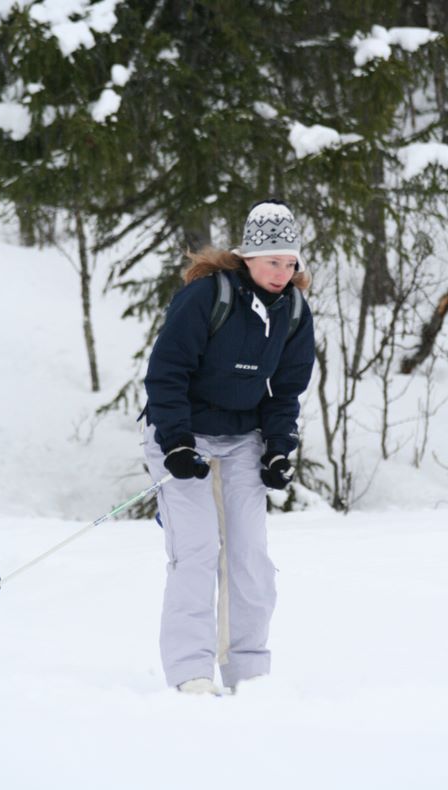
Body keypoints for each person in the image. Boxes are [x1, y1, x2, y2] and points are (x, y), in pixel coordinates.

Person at [142, 199, 315, 695]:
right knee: (197, 549)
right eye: (273, 261)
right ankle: (190, 672)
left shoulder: (294, 311)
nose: (282, 272)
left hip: (243, 437)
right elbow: (167, 372)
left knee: (249, 555)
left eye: (290, 262)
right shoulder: (207, 297)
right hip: (182, 434)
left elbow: (286, 392)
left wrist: (278, 449)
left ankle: (248, 673)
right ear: (248, 257)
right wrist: (176, 443)